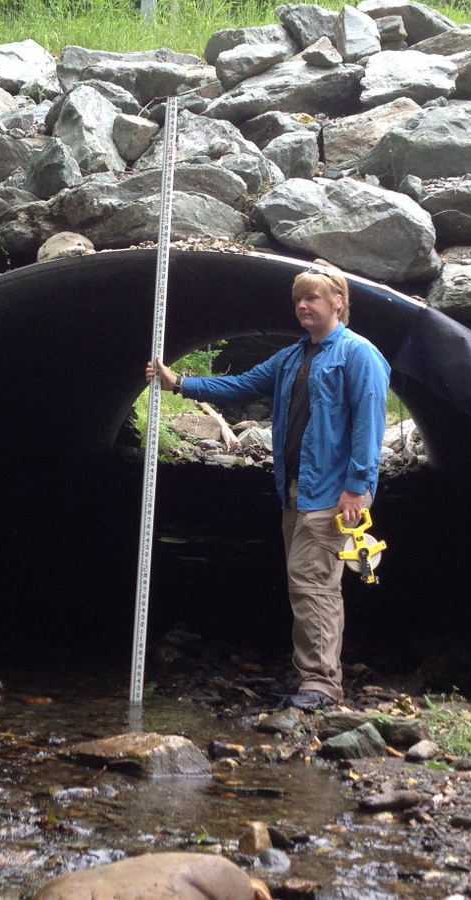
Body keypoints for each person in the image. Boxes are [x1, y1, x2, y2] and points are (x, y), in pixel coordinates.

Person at [146, 262, 391, 710]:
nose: (302, 305)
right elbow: (242, 385)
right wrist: (180, 382)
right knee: (306, 581)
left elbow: (369, 425)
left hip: (334, 491)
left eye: (312, 297)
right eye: (298, 298)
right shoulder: (296, 355)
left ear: (337, 302)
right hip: (298, 488)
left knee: (313, 582)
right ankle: (312, 677)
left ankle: (321, 684)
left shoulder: (358, 354)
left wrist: (357, 488)